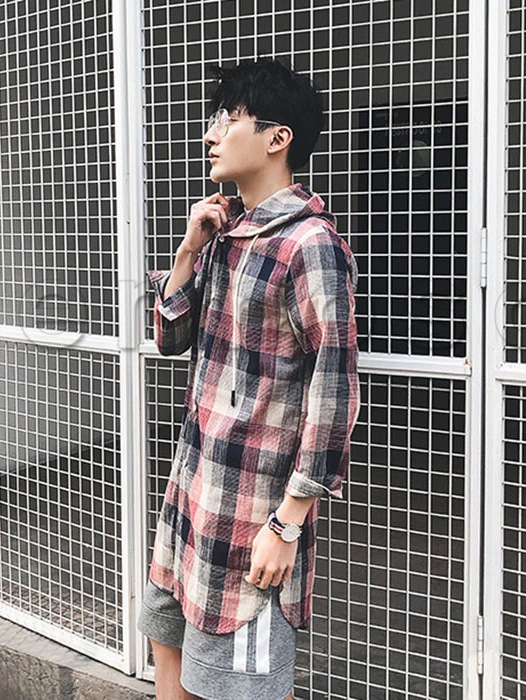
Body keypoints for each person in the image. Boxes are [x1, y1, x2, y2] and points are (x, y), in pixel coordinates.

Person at [138, 58, 360, 700]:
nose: (210, 134)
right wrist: (188, 250)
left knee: (245, 687)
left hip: (252, 515)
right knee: (168, 655)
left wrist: (289, 522)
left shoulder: (309, 244)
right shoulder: (224, 232)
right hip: (191, 498)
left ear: (276, 138)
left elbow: (334, 387)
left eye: (227, 119)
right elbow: (171, 338)